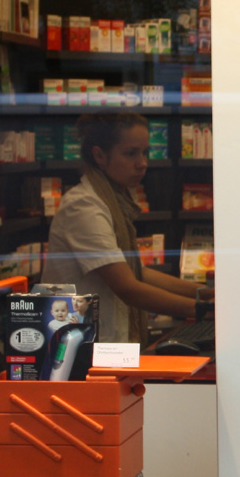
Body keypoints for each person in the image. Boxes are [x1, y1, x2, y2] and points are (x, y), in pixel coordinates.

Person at [43, 114, 213, 344]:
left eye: (144, 153)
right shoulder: (83, 206)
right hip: (80, 348)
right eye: (131, 153)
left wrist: (204, 293)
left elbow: (138, 272)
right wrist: (202, 309)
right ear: (100, 156)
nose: (142, 163)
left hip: (105, 342)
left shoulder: (113, 201)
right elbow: (127, 287)